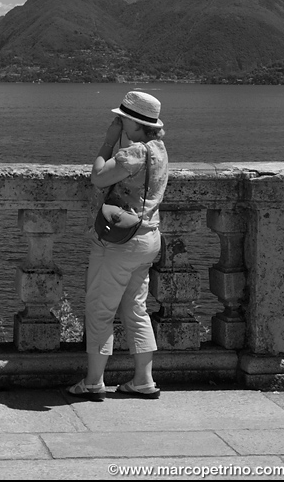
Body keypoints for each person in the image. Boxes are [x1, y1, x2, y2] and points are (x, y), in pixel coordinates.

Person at [68, 91, 169, 401]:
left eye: (123, 119)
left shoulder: (133, 153)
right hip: (148, 237)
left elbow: (98, 176)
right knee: (136, 309)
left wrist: (108, 141)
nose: (118, 122)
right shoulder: (159, 149)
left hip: (120, 242)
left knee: (100, 309)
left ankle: (93, 382)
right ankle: (143, 380)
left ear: (135, 124)